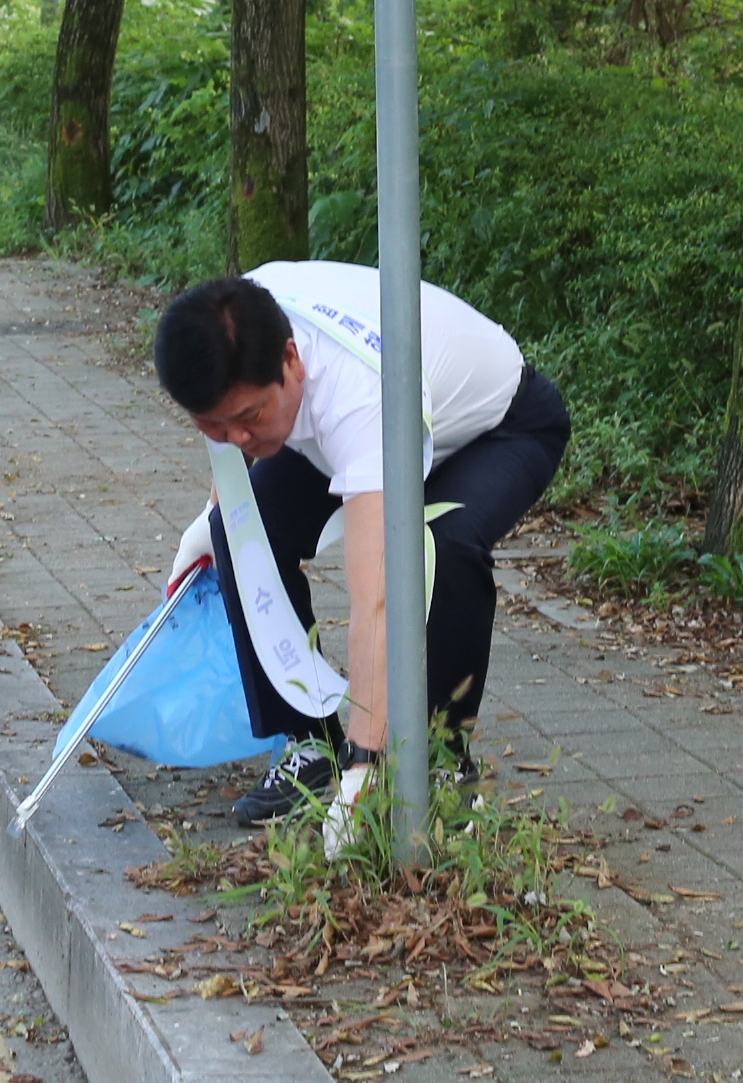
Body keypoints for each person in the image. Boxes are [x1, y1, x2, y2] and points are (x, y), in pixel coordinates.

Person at [152, 261, 567, 845]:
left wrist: (366, 765)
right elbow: (231, 447)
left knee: (436, 547)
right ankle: (309, 740)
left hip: (498, 429)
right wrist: (216, 516)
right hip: (382, 417)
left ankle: (438, 758)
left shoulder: (361, 396)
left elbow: (379, 597)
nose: (237, 438)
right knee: (245, 531)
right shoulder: (231, 322)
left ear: (292, 361)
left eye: (248, 418)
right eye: (214, 427)